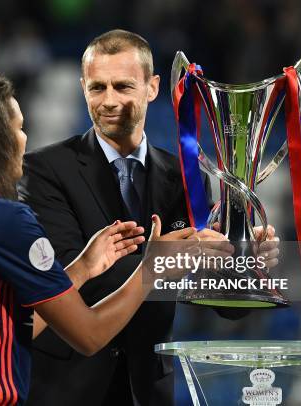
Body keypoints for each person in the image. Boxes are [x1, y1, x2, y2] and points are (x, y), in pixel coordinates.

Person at [0, 66, 199, 405]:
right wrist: (151, 269)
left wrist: (82, 269)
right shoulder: (3, 218)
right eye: (19, 128)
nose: (24, 140)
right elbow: (88, 334)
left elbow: (5, 331)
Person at [18, 29, 278, 406]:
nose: (109, 100)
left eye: (123, 86)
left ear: (152, 87)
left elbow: (220, 301)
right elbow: (68, 278)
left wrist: (240, 260)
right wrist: (168, 259)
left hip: (147, 390)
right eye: (97, 88)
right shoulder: (43, 171)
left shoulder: (186, 179)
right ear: (82, 88)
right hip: (65, 389)